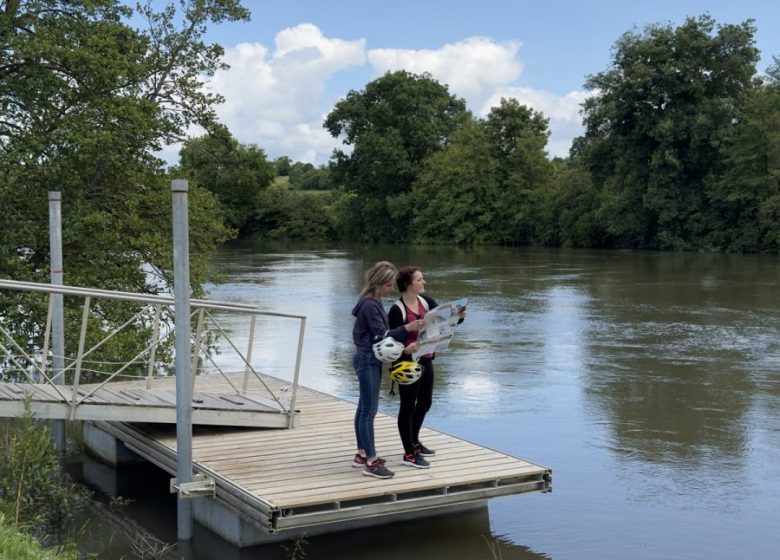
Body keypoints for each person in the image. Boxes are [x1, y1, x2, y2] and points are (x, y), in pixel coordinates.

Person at [388, 266, 466, 469]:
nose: (424, 283)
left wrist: (460, 316)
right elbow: (391, 340)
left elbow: (445, 324)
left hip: (426, 357)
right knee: (407, 406)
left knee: (425, 402)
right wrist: (407, 348)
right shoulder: (397, 309)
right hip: (406, 363)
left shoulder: (427, 301)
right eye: (420, 280)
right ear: (408, 284)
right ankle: (409, 455)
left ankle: (414, 442)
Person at [351, 261, 423, 479]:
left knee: (364, 407)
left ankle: (362, 454)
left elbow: (380, 335)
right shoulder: (370, 305)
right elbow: (383, 336)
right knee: (369, 411)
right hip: (367, 360)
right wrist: (407, 328)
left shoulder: (370, 302)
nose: (392, 288)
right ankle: (371, 462)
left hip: (366, 358)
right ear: (380, 284)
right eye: (390, 284)